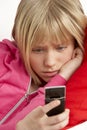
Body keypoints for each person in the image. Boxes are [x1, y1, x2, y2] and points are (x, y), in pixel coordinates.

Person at [0, 0, 87, 130]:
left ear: (76, 43)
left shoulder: (76, 83)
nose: (49, 62)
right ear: (19, 42)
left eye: (61, 48)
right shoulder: (3, 59)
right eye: (37, 50)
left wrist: (63, 76)